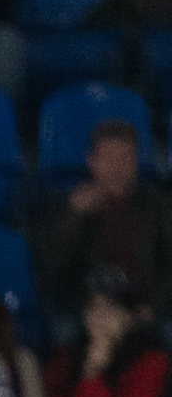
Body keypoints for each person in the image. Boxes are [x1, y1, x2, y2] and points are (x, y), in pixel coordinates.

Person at [32, 109, 172, 330]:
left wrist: (153, 308)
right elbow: (50, 267)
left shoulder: (159, 206)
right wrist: (74, 216)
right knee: (65, 330)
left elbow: (168, 266)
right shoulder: (64, 205)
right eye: (110, 158)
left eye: (126, 157)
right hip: (87, 308)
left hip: (145, 305)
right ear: (92, 161)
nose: (118, 166)